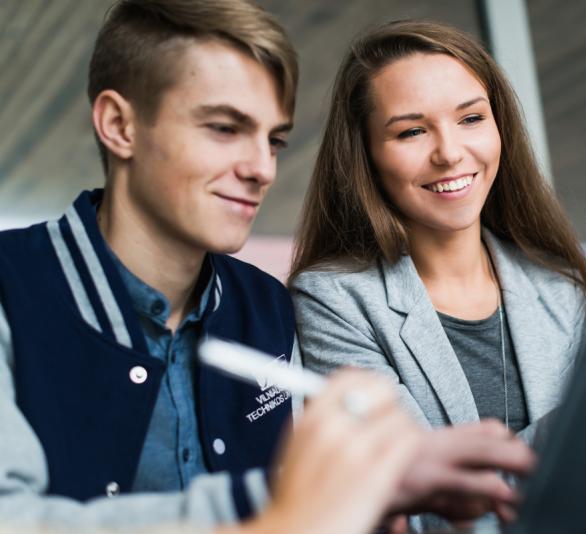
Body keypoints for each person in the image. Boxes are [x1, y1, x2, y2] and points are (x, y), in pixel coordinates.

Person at [0, 3, 535, 532]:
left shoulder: (266, 307)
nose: (261, 169)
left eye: (274, 140)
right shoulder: (11, 288)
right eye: (225, 129)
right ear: (120, 125)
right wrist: (292, 505)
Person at [291, 20, 586, 446]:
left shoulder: (561, 287)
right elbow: (416, 491)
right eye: (412, 131)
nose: (450, 153)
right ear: (366, 155)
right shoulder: (335, 302)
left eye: (471, 118)